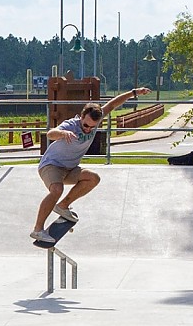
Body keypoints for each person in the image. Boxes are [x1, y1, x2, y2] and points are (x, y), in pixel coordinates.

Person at [31, 86, 152, 243]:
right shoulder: (71, 125)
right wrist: (63, 133)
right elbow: (50, 133)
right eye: (86, 125)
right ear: (82, 117)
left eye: (92, 127)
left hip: (70, 169)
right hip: (51, 166)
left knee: (93, 178)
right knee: (57, 189)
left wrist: (134, 93)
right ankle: (37, 230)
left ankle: (62, 206)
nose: (88, 129)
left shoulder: (97, 119)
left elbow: (113, 104)